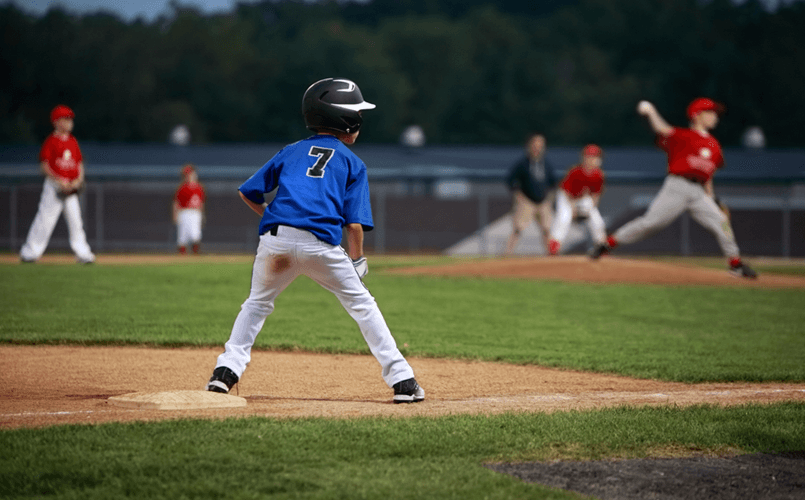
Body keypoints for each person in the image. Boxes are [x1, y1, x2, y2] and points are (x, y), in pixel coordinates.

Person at [205, 78, 425, 404]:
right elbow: (353, 225)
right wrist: (358, 260)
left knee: (256, 305)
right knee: (363, 306)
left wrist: (270, 215)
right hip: (321, 246)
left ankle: (224, 374)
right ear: (347, 121)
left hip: (275, 242)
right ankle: (403, 382)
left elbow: (248, 191)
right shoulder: (353, 162)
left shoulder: (291, 151)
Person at [590, 98, 758, 279]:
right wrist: (651, 111)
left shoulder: (715, 146)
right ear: (696, 115)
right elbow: (662, 129)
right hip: (677, 186)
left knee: (721, 222)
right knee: (651, 223)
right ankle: (608, 243)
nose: (714, 116)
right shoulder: (684, 135)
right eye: (709, 112)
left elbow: (708, 177)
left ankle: (735, 264)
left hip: (699, 193)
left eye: (714, 112)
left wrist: (714, 200)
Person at [19, 105, 95, 264]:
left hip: (71, 187)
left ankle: (84, 254)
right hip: (54, 186)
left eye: (70, 119)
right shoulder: (51, 141)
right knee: (45, 220)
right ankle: (30, 253)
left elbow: (79, 164)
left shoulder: (72, 141)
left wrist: (78, 180)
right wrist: (59, 180)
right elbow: (44, 166)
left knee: (76, 222)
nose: (69, 122)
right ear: (56, 122)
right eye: (65, 119)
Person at [547, 144, 607, 255]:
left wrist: (590, 211)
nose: (591, 159)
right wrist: (573, 210)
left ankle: (601, 246)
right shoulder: (576, 172)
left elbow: (595, 197)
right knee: (564, 217)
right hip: (566, 198)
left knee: (597, 221)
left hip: (582, 200)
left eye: (593, 157)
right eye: (588, 156)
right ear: (584, 158)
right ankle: (554, 244)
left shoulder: (599, 175)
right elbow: (566, 193)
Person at [504, 133, 557, 254]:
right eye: (535, 145)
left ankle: (552, 255)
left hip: (543, 201)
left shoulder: (546, 164)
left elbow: (553, 183)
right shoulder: (523, 164)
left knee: (547, 229)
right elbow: (511, 180)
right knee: (518, 228)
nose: (537, 148)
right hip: (526, 201)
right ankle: (507, 253)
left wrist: (549, 198)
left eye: (540, 146)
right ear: (529, 146)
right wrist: (519, 196)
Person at [173, 163, 206, 254]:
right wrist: (175, 215)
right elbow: (176, 203)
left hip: (195, 213)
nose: (189, 176)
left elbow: (201, 203)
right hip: (184, 212)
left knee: (196, 235)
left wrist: (202, 215)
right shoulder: (182, 188)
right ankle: (182, 257)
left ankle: (195, 257)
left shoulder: (199, 188)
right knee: (182, 237)